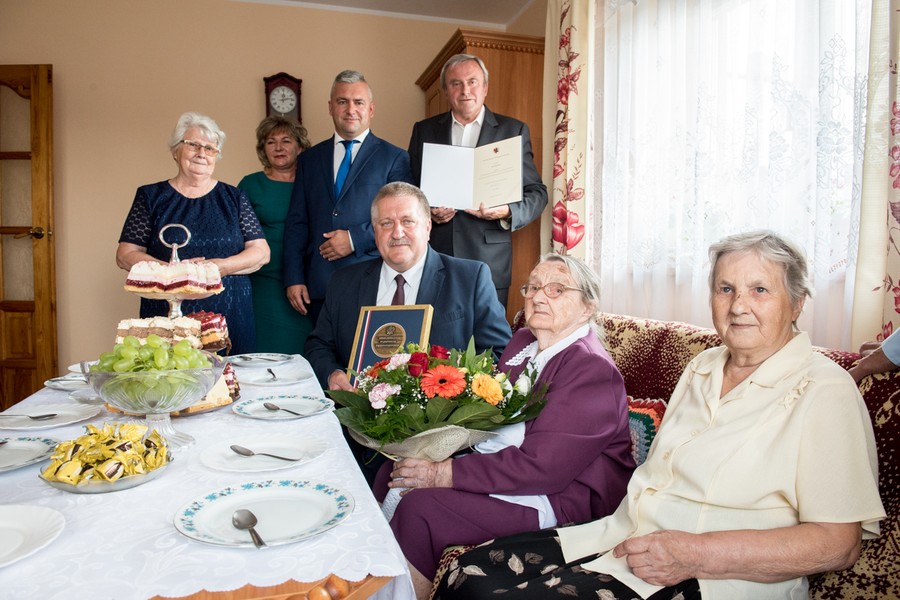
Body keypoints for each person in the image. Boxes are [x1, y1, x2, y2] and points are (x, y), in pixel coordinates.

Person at [433, 230, 886, 600]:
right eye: (725, 289)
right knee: (466, 577)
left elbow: (838, 544)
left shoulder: (824, 389)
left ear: (798, 302)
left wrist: (696, 554)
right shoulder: (703, 366)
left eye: (760, 290)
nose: (738, 305)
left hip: (714, 577)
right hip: (623, 537)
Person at [375, 253, 635, 599]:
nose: (539, 297)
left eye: (557, 290)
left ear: (588, 307)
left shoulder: (590, 369)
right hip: (505, 467)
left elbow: (544, 468)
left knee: (421, 509)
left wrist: (442, 473)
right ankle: (365, 580)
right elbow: (489, 412)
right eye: (534, 287)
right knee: (392, 471)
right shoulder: (524, 341)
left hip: (555, 497)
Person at [305, 182, 512, 484]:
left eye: (407, 221)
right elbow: (319, 345)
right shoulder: (343, 282)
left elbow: (499, 354)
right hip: (358, 445)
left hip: (440, 449)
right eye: (385, 223)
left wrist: (455, 393)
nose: (397, 232)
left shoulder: (470, 278)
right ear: (375, 231)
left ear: (428, 226)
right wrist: (333, 375)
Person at [117, 112, 269, 355]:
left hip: (230, 314)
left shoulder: (234, 197)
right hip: (167, 316)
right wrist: (176, 273)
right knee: (170, 374)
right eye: (193, 145)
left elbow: (261, 253)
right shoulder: (151, 196)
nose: (202, 153)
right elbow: (125, 254)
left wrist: (218, 267)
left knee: (230, 376)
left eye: (210, 148)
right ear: (176, 150)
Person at [407, 54, 548, 306]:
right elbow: (409, 191)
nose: (465, 90)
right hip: (437, 254)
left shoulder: (513, 130)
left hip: (490, 260)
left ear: (485, 88)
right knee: (436, 330)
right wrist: (428, 211)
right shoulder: (424, 130)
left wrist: (507, 212)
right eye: (456, 83)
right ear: (446, 91)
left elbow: (537, 193)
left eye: (472, 82)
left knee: (487, 331)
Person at [283, 70, 413, 325]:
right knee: (322, 350)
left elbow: (402, 218)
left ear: (371, 109)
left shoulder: (394, 158)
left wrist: (354, 239)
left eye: (358, 102)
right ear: (330, 107)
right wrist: (293, 277)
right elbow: (297, 222)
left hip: (374, 280)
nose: (350, 109)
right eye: (342, 101)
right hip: (319, 286)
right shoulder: (309, 160)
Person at [238, 116, 312, 354]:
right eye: (271, 142)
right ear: (264, 149)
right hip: (264, 283)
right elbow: (237, 235)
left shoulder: (313, 182)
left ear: (299, 147)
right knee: (267, 352)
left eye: (286, 141)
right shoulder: (250, 185)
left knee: (307, 352)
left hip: (308, 281)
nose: (279, 147)